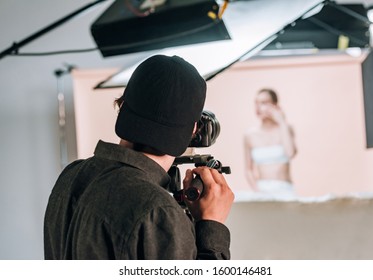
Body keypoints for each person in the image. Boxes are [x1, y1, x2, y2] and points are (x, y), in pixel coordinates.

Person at [44, 55, 234, 260]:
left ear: (121, 105)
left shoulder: (70, 177)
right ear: (194, 129)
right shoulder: (159, 211)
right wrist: (212, 229)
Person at [244, 88, 297, 197]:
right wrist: (258, 192)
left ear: (275, 105)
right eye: (256, 103)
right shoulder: (249, 135)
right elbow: (248, 169)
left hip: (285, 190)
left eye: (264, 103)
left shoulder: (286, 129)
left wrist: (282, 121)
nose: (258, 107)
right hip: (262, 190)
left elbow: (290, 153)